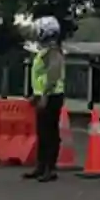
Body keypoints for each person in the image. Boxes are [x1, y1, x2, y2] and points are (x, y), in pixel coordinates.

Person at [24, 16, 65, 183]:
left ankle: (50, 168)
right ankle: (41, 166)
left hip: (52, 95)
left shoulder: (53, 52)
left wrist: (45, 95)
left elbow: (53, 75)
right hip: (44, 95)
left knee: (50, 133)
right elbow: (40, 76)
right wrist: (36, 94)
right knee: (42, 132)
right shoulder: (44, 51)